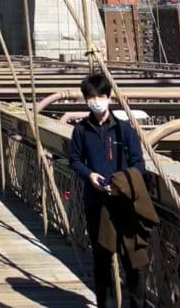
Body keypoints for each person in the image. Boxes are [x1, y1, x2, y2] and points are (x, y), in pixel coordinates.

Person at [70, 73, 147, 308]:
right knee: (102, 257)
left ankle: (137, 304)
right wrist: (89, 175)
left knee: (133, 258)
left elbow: (139, 163)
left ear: (109, 97)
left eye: (100, 96)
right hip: (96, 202)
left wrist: (121, 183)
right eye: (91, 97)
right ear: (86, 100)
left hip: (124, 203)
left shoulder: (124, 130)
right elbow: (74, 160)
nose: (96, 101)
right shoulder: (81, 130)